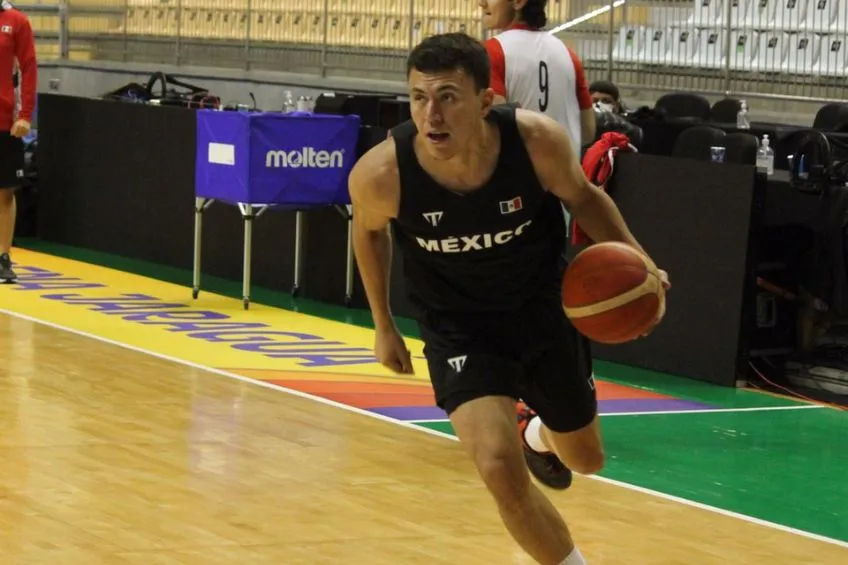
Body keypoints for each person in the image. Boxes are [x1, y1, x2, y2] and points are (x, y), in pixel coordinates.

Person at [348, 33, 669, 565]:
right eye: (418, 97)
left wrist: (642, 265)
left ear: (485, 101)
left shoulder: (536, 142)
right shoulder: (382, 174)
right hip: (458, 325)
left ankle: (536, 433)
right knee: (498, 466)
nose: (431, 115)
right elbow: (368, 233)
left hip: (541, 310)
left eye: (448, 97)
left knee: (586, 459)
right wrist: (384, 324)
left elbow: (584, 197)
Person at [480, 0, 595, 147]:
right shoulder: (569, 55)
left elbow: (495, 128)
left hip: (518, 160)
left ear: (518, 2)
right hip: (567, 160)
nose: (482, 3)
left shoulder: (491, 51)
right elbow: (587, 131)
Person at [0, 1, 37, 283]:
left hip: (4, 121)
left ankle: (3, 258)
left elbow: (28, 67)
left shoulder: (17, 21)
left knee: (5, 193)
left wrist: (25, 115)